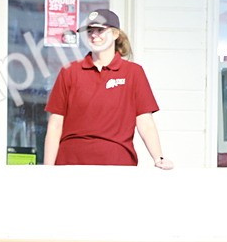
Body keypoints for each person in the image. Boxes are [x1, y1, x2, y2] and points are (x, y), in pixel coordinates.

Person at [44, 9, 174, 168]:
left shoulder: (133, 72)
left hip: (117, 164)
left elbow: (145, 122)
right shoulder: (69, 72)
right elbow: (55, 124)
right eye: (90, 31)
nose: (94, 35)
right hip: (71, 163)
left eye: (100, 30)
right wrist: (48, 169)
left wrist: (158, 158)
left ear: (115, 34)